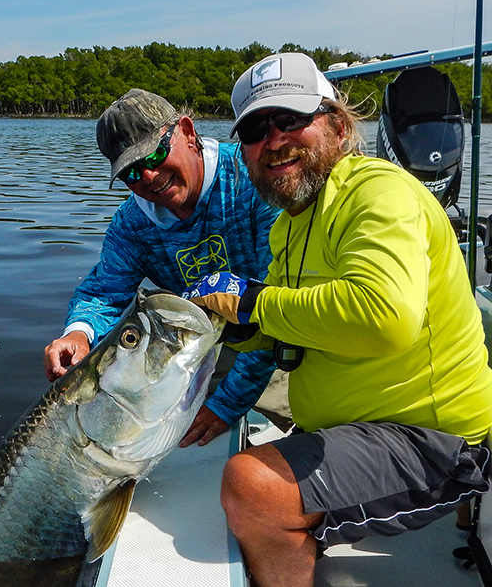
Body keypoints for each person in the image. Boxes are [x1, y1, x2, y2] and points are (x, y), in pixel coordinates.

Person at [184, 52, 492, 587]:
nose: (274, 139)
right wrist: (239, 330)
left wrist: (255, 303)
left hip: (437, 441)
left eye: (291, 119)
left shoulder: (380, 191)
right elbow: (283, 325)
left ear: (338, 123)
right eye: (256, 128)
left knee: (249, 486)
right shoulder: (290, 226)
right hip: (353, 427)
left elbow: (383, 316)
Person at [42, 88, 283, 446]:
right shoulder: (132, 223)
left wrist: (225, 407)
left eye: (155, 154)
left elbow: (283, 298)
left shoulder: (254, 181)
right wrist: (79, 334)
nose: (150, 176)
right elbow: (103, 293)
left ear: (187, 131)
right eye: (132, 172)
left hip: (284, 337)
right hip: (198, 349)